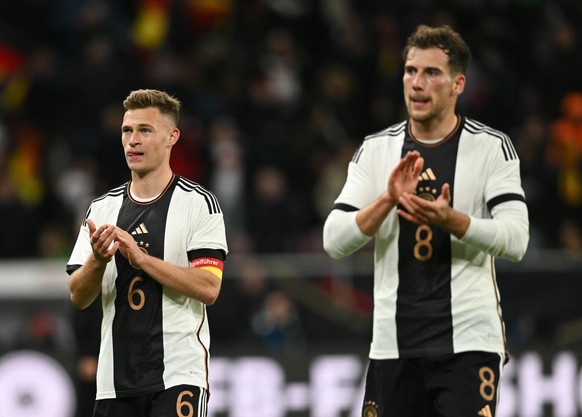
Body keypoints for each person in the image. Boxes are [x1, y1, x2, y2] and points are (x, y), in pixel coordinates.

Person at [322, 25, 529, 417]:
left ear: (457, 84)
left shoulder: (491, 148)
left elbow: (517, 240)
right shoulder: (376, 149)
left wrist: (454, 221)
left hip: (467, 343)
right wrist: (387, 200)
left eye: (431, 73)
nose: (417, 83)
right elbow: (334, 241)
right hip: (392, 345)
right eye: (410, 70)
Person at [66, 89, 228, 417]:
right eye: (127, 131)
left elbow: (209, 288)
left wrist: (142, 260)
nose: (133, 140)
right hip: (114, 382)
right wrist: (97, 261)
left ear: (172, 137)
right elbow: (78, 296)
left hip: (178, 376)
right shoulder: (101, 208)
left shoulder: (200, 204)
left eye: (145, 130)